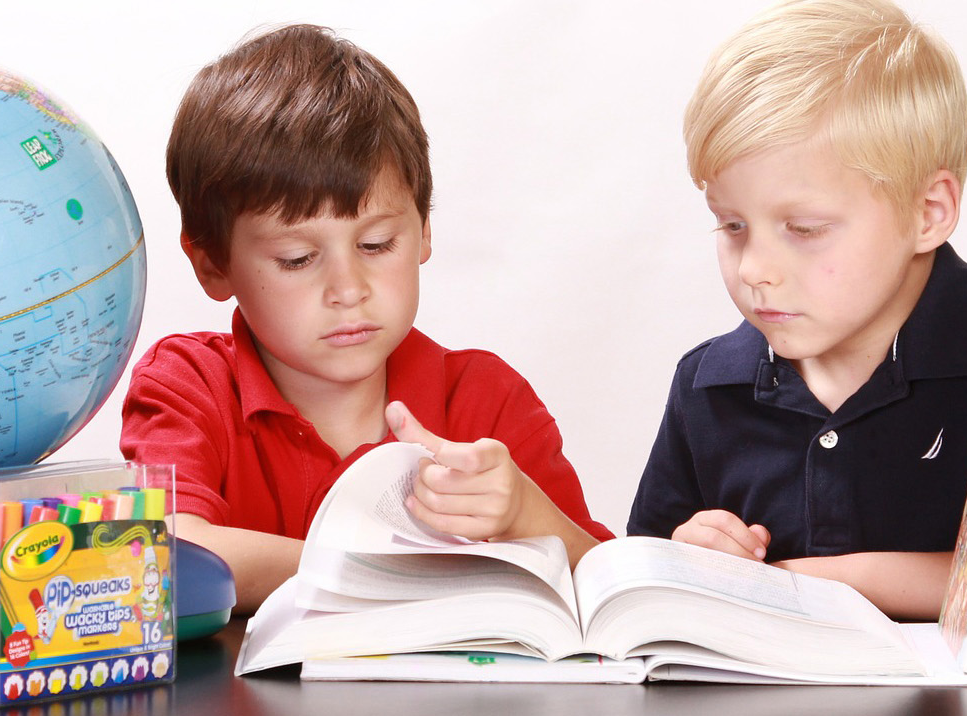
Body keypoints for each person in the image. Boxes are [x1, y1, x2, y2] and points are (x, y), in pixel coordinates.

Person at [122, 24, 612, 613]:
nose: (349, 290)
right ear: (211, 264)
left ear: (424, 228)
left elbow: (606, 588)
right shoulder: (187, 386)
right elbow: (167, 557)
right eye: (297, 259)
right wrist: (391, 571)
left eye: (377, 244)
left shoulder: (488, 402)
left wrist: (527, 516)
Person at [626, 0, 967, 620]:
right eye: (730, 224)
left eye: (803, 228)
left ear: (928, 212)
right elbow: (639, 581)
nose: (754, 269)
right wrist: (687, 555)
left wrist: (826, 581)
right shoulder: (706, 385)